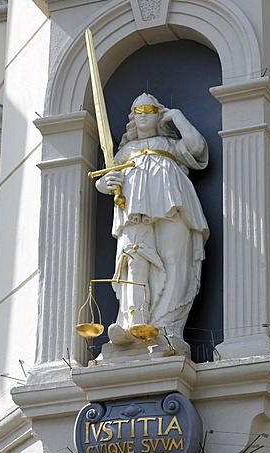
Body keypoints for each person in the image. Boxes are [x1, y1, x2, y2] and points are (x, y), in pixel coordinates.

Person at [95, 93, 209, 346]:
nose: (143, 114)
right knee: (133, 259)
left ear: (158, 114)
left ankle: (166, 324)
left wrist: (177, 117)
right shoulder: (125, 151)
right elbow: (107, 179)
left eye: (148, 109)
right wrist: (105, 183)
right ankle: (132, 321)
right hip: (134, 208)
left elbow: (197, 148)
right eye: (137, 111)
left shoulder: (169, 145)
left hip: (173, 204)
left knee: (173, 260)